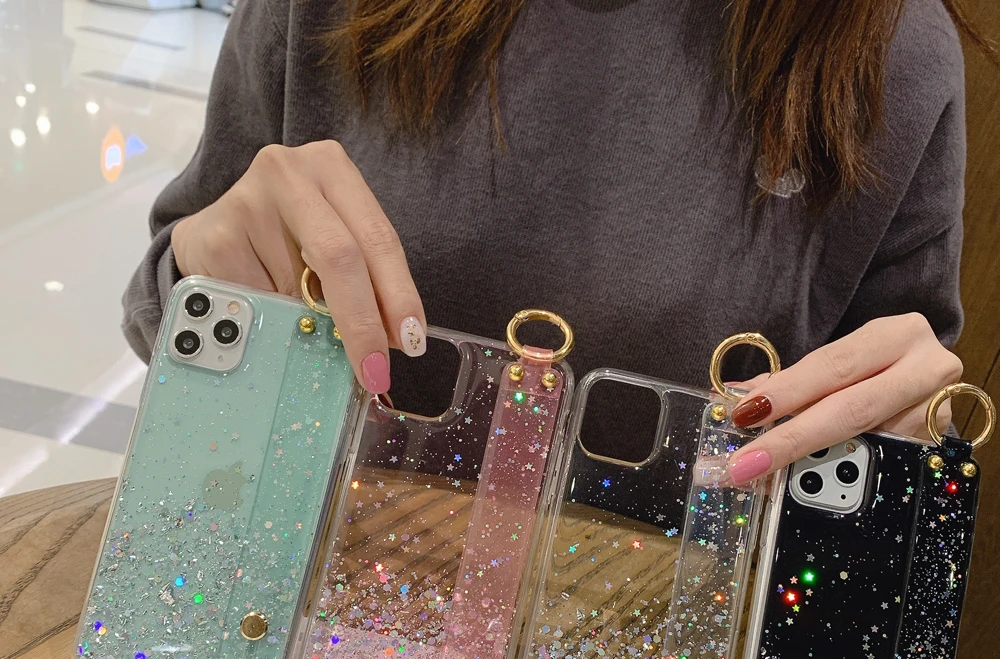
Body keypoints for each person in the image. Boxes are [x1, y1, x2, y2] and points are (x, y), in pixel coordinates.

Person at [123, 0, 986, 484]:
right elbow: (172, 293)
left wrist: (905, 449)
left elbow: (893, 416)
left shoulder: (887, 49)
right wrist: (206, 281)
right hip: (288, 629)